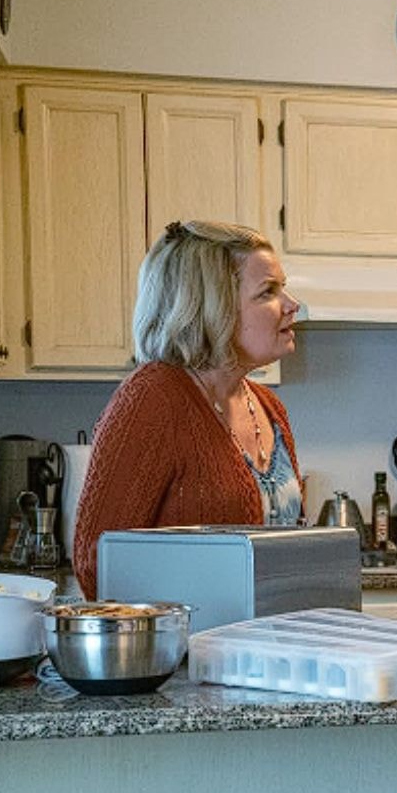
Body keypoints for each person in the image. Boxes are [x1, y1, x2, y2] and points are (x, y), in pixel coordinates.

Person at [74, 221, 303, 600]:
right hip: (183, 656)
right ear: (212, 307)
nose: (292, 305)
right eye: (268, 292)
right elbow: (97, 562)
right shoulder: (153, 398)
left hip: (262, 653)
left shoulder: (269, 406)